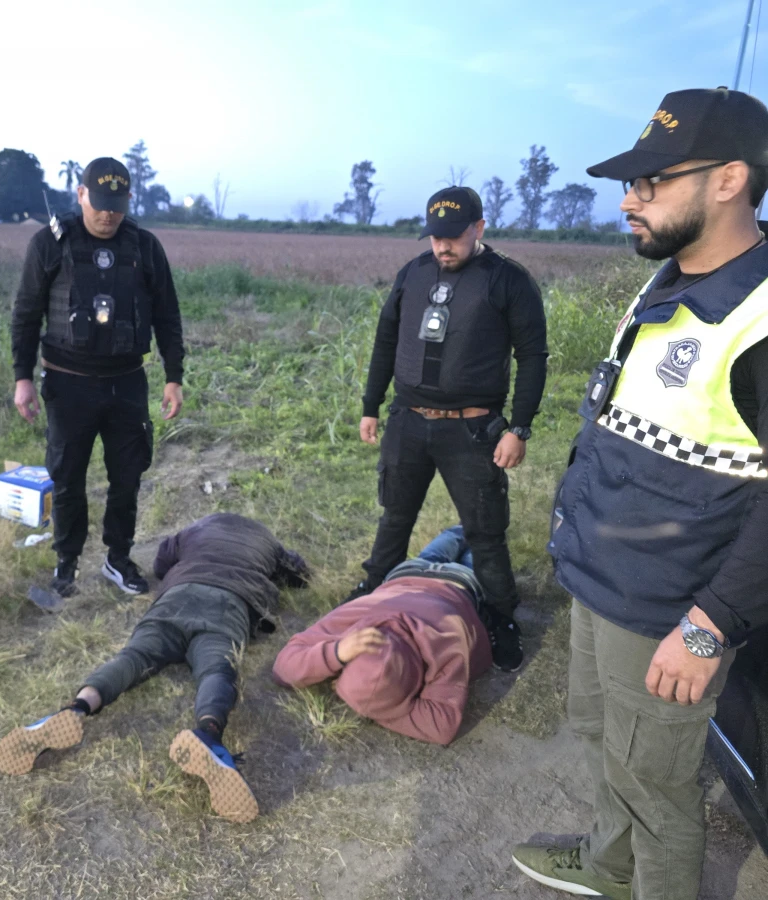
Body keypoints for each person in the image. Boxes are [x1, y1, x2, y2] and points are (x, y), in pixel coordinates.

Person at [513, 87, 768, 900]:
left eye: (653, 180)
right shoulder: (670, 276)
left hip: (671, 607)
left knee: (660, 791)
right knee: (601, 736)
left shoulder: (760, 315)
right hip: (604, 577)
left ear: (729, 180)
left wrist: (709, 627)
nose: (630, 197)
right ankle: (610, 864)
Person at [0, 513, 308, 823]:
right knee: (217, 671)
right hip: (229, 603)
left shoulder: (197, 529)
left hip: (177, 595)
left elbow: (160, 563)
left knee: (133, 657)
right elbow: (300, 576)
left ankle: (76, 707)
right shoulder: (268, 541)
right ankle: (209, 736)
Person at [349, 185, 548, 672]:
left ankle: (501, 616)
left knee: (485, 532)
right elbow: (385, 340)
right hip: (408, 422)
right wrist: (371, 405)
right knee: (395, 516)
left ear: (478, 229)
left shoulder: (508, 281)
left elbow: (533, 357)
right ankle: (372, 590)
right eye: (436, 237)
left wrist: (518, 429)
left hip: (473, 431)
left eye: (454, 237)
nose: (443, 247)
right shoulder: (413, 273)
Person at [11, 157, 186, 598]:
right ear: (81, 194)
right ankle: (66, 562)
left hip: (127, 382)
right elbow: (26, 314)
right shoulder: (49, 244)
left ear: (128, 201)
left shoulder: (145, 247)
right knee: (67, 476)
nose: (108, 214)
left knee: (127, 476)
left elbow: (167, 315)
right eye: (99, 203)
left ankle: (117, 558)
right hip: (68, 383)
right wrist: (23, 377)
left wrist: (173, 375)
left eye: (117, 205)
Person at [274, 526, 491, 746]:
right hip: (409, 573)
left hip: (460, 582)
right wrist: (337, 654)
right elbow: (284, 666)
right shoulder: (356, 616)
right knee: (457, 536)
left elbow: (440, 726)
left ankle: (476, 528)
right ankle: (465, 526)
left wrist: (385, 707)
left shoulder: (446, 644)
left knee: (480, 545)